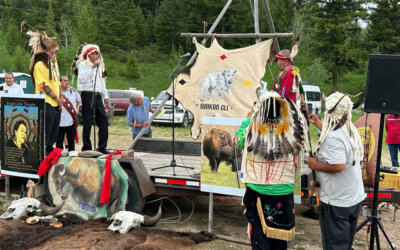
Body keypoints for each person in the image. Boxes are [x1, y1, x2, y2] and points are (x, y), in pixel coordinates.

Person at [237, 91, 310, 249]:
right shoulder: (291, 131)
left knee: (259, 236)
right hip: (283, 191)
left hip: (257, 190)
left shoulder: (252, 130)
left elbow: (238, 141)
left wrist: (248, 119)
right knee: (279, 238)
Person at [307, 92, 365, 250]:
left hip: (337, 201)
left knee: (336, 247)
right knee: (344, 245)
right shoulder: (349, 129)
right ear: (347, 112)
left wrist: (316, 165)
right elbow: (338, 138)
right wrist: (319, 124)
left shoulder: (333, 137)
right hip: (352, 197)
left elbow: (339, 165)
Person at [28, 31, 63, 156]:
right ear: (46, 53)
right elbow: (43, 86)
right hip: (46, 103)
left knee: (53, 135)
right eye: (53, 53)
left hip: (55, 104)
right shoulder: (39, 66)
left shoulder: (53, 66)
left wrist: (61, 98)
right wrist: (56, 98)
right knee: (45, 134)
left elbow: (58, 84)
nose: (55, 55)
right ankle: (42, 156)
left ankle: (49, 154)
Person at [75, 44, 110, 154]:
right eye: (93, 54)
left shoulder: (100, 66)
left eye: (96, 54)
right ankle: (86, 147)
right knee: (88, 121)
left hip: (98, 95)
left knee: (103, 121)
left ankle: (102, 147)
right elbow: (82, 80)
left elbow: (102, 82)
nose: (95, 56)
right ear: (88, 55)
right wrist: (92, 68)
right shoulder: (83, 65)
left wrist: (106, 96)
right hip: (87, 94)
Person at [56, 76, 81, 151]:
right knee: (59, 142)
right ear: (60, 82)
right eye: (65, 81)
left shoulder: (73, 90)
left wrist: (77, 109)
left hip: (71, 120)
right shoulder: (56, 91)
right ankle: (58, 156)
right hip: (60, 121)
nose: (67, 82)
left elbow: (79, 101)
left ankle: (71, 155)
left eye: (67, 80)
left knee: (71, 142)